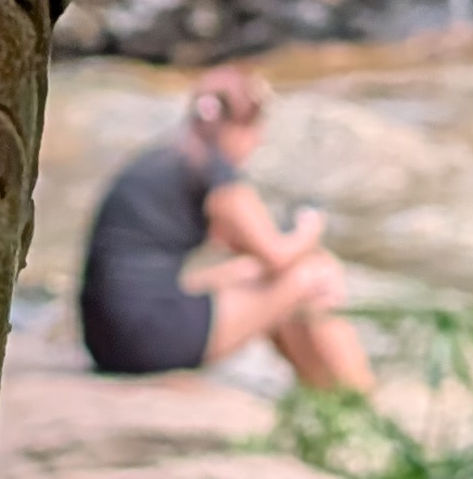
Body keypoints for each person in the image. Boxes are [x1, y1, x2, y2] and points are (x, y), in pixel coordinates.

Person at [78, 60, 376, 387]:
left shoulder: (170, 155)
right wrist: (310, 227)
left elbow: (238, 247)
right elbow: (277, 255)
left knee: (256, 276)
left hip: (108, 337)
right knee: (314, 272)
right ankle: (357, 394)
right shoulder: (213, 168)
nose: (257, 144)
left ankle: (322, 391)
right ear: (243, 127)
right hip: (146, 338)